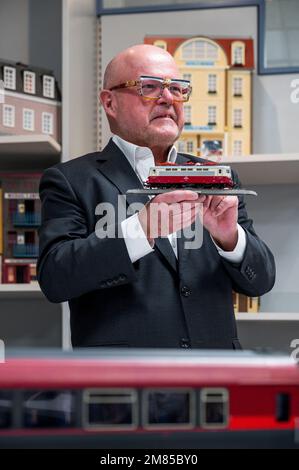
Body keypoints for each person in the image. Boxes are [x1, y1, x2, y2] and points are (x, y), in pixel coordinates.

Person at [37, 44, 275, 349]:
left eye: (177, 88)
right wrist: (141, 230)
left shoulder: (217, 178)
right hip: (124, 387)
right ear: (109, 102)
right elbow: (56, 278)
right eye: (149, 87)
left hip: (213, 384)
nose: (167, 98)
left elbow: (260, 281)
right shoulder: (71, 181)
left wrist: (231, 239)